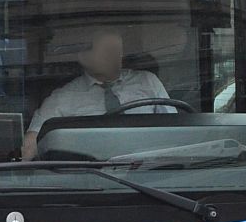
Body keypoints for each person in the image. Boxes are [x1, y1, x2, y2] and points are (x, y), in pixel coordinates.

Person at [22, 30, 172, 159]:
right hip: (91, 176)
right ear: (85, 57)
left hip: (148, 172)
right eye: (107, 51)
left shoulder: (147, 81)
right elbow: (31, 144)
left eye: (118, 51)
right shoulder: (64, 97)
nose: (116, 57)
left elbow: (174, 127)